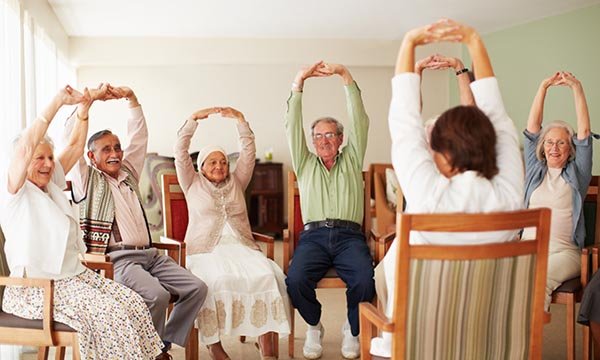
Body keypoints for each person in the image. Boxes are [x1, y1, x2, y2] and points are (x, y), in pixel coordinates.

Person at [371, 19, 525, 358]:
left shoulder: (427, 196)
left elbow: (404, 122)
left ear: (439, 155)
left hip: (422, 342)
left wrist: (409, 41)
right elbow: (498, 116)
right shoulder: (512, 196)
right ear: (493, 145)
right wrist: (473, 39)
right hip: (491, 340)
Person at [0, 85, 164, 359]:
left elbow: (76, 145)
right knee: (109, 315)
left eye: (50, 157)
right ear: (24, 160)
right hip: (36, 289)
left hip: (72, 277)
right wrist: (57, 102)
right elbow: (27, 146)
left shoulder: (50, 184)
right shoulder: (13, 191)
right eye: (38, 158)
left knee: (132, 303)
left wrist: (85, 110)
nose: (47, 163)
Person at [68, 85, 207, 360]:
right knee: (156, 295)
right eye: (106, 149)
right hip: (118, 260)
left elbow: (139, 136)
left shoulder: (128, 173)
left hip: (151, 256)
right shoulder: (86, 180)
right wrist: (87, 104)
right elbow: (70, 142)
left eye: (118, 147)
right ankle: (152, 353)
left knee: (197, 288)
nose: (115, 153)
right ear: (91, 156)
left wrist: (132, 99)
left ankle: (161, 345)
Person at [173, 106, 291, 360]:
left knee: (268, 275)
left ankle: (267, 344)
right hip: (205, 251)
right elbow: (180, 152)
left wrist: (240, 120)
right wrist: (192, 121)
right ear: (202, 166)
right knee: (213, 282)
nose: (219, 166)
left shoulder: (238, 181)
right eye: (213, 162)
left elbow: (248, 153)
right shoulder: (191, 182)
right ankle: (214, 346)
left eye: (224, 162)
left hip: (242, 247)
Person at [284, 61, 374, 359]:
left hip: (350, 237)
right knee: (295, 280)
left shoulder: (351, 158)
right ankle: (314, 326)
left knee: (364, 279)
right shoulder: (305, 162)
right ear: (312, 141)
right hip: (314, 238)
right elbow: (291, 125)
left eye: (330, 135)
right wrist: (300, 81)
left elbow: (359, 119)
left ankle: (352, 328)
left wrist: (345, 77)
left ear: (341, 138)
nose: (324, 141)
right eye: (318, 136)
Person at [374, 53, 477, 311]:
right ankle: (395, 322)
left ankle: (397, 328)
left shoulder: (462, 171)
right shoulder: (417, 169)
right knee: (383, 275)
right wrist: (416, 74)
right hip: (413, 238)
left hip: (447, 241)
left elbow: (470, 117)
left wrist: (458, 69)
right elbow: (411, 119)